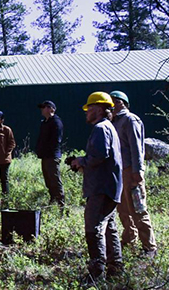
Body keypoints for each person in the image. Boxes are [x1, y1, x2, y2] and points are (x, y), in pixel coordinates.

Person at [71, 92, 123, 281]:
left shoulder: (101, 128)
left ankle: (97, 272)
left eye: (89, 109)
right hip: (110, 187)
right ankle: (116, 270)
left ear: (100, 109)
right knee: (109, 228)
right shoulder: (108, 127)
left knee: (93, 227)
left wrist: (81, 161)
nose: (86, 113)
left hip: (101, 188)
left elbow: (99, 155)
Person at [110, 90, 157, 257]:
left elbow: (137, 149)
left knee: (138, 209)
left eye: (114, 101)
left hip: (131, 171)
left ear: (122, 102)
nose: (111, 105)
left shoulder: (130, 120)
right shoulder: (114, 122)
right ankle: (130, 239)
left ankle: (149, 247)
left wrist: (138, 172)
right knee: (122, 209)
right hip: (119, 172)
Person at [36, 100, 65, 207]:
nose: (42, 110)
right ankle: (53, 201)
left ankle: (61, 205)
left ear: (51, 109)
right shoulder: (44, 123)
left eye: (44, 107)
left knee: (55, 181)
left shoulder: (56, 122)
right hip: (45, 156)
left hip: (52, 156)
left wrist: (48, 151)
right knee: (48, 181)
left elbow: (56, 140)